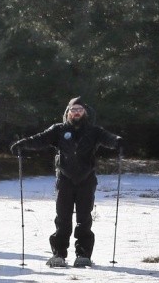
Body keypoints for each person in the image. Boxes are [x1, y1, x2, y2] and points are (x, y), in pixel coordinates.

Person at [12, 97, 121, 268]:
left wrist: (117, 142)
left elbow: (109, 138)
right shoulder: (59, 130)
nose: (76, 113)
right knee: (62, 218)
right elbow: (40, 139)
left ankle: (83, 255)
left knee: (84, 218)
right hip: (64, 180)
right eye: (73, 110)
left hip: (87, 180)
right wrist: (23, 144)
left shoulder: (94, 131)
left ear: (85, 112)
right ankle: (58, 255)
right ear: (68, 112)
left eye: (80, 110)